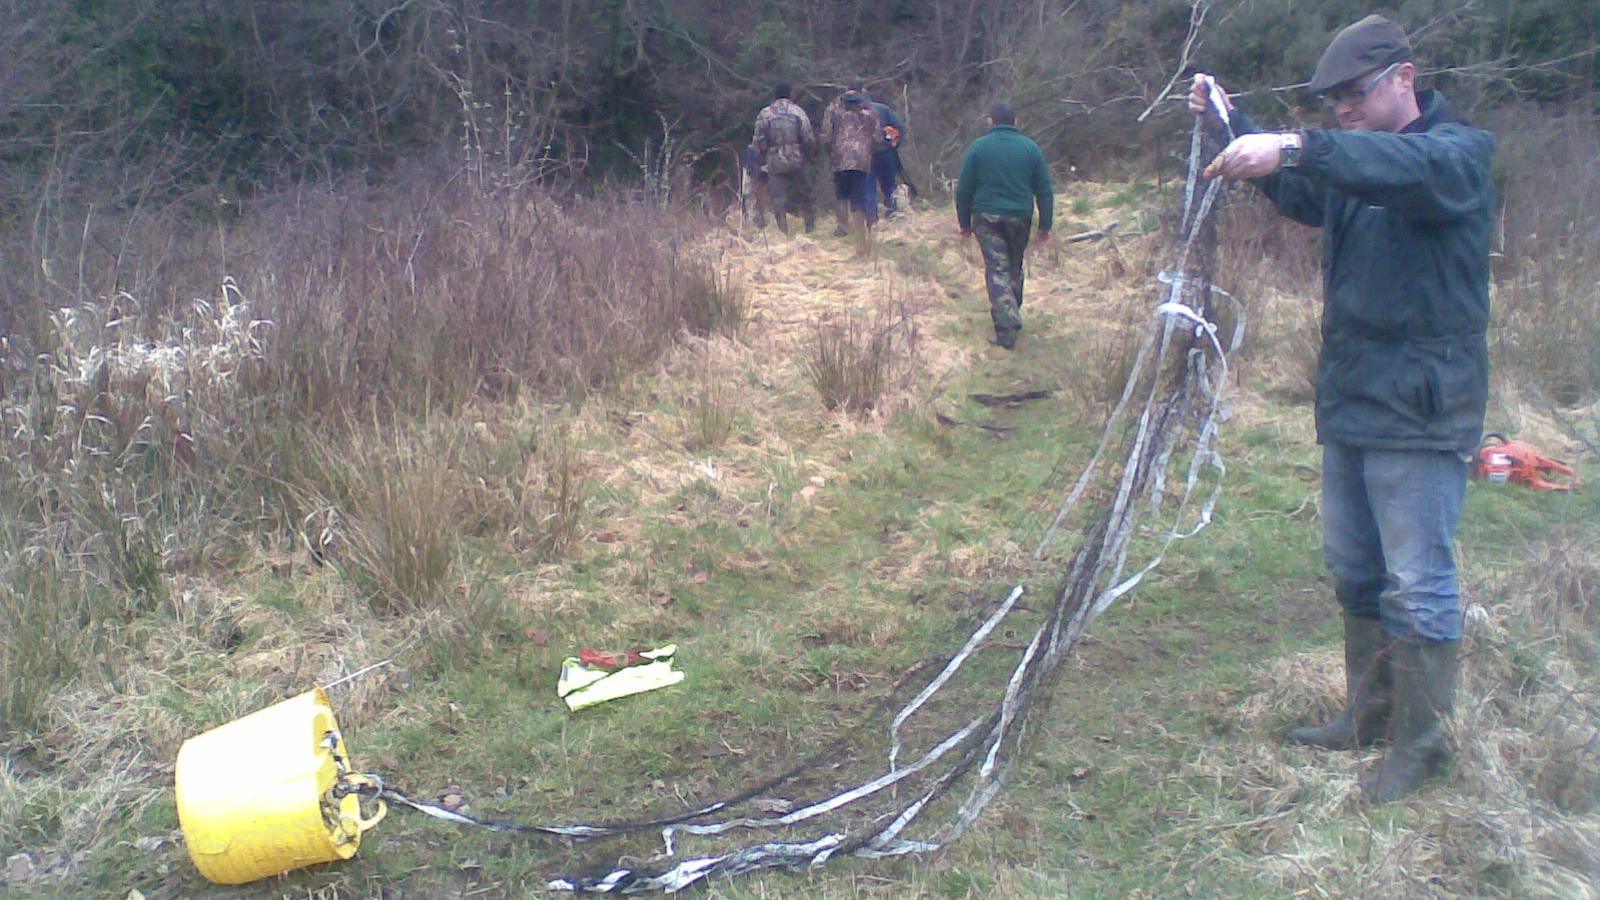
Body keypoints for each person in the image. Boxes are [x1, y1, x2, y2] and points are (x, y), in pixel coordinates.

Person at [1191, 14, 1494, 804]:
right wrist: (1237, 126)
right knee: (1356, 571)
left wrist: (1298, 143)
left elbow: (1393, 168)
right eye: (1332, 103)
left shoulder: (1456, 155)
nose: (1344, 111)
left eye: (1355, 94)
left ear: (1405, 76)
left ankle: (1422, 750)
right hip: (1353, 400)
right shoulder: (1356, 167)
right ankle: (1369, 716)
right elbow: (1301, 188)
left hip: (1422, 410)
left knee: (1419, 582)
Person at [955, 101, 1053, 350]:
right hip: (1020, 216)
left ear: (991, 121)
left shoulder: (978, 148)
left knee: (997, 269)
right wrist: (1045, 225)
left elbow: (964, 189)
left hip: (986, 217)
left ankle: (1007, 327)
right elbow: (1044, 190)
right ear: (1015, 122)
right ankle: (1011, 313)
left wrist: (964, 223)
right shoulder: (1031, 149)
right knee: (1014, 266)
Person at [751, 82, 817, 235]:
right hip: (796, 157)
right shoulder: (798, 112)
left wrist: (761, 158)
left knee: (778, 197)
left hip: (775, 159)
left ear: (774, 95)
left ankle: (782, 230)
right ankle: (810, 226)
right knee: (806, 193)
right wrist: (809, 156)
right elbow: (808, 138)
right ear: (790, 94)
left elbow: (758, 141)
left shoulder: (765, 113)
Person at [820, 81, 882, 239]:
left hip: (840, 157)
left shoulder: (833, 111)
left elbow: (826, 136)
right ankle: (860, 228)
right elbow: (877, 137)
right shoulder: (870, 111)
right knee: (858, 193)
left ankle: (842, 227)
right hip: (862, 158)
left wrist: (830, 151)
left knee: (841, 193)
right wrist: (869, 150)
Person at [869, 97, 907, 216]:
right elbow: (900, 127)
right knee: (889, 186)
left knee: (869, 188)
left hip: (864, 156)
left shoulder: (849, 111)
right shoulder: (883, 109)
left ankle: (871, 217)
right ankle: (892, 212)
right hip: (885, 153)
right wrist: (894, 145)